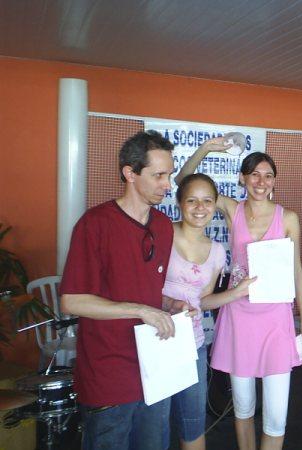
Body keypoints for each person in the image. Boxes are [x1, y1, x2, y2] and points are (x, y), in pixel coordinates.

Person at [176, 138, 302, 450]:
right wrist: (206, 149)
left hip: (276, 319)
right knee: (243, 408)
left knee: (276, 416)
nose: (261, 182)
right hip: (238, 316)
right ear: (242, 178)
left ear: (274, 181)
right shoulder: (232, 209)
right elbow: (185, 181)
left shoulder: (288, 218)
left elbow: (296, 271)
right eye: (254, 175)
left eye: (268, 176)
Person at [60, 130, 188, 450]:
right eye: (158, 175)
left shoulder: (163, 226)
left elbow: (141, 289)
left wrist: (168, 304)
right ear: (130, 173)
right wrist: (141, 310)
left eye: (169, 174)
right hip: (108, 375)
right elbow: (72, 301)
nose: (168, 184)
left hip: (155, 369)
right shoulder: (95, 224)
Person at [162, 173, 255, 450]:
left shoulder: (216, 251)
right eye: (192, 200)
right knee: (152, 428)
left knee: (193, 425)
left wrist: (237, 292)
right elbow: (139, 288)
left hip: (192, 345)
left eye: (207, 201)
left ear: (215, 205)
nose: (200, 208)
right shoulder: (163, 235)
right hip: (154, 342)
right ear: (179, 203)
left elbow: (203, 301)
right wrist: (170, 303)